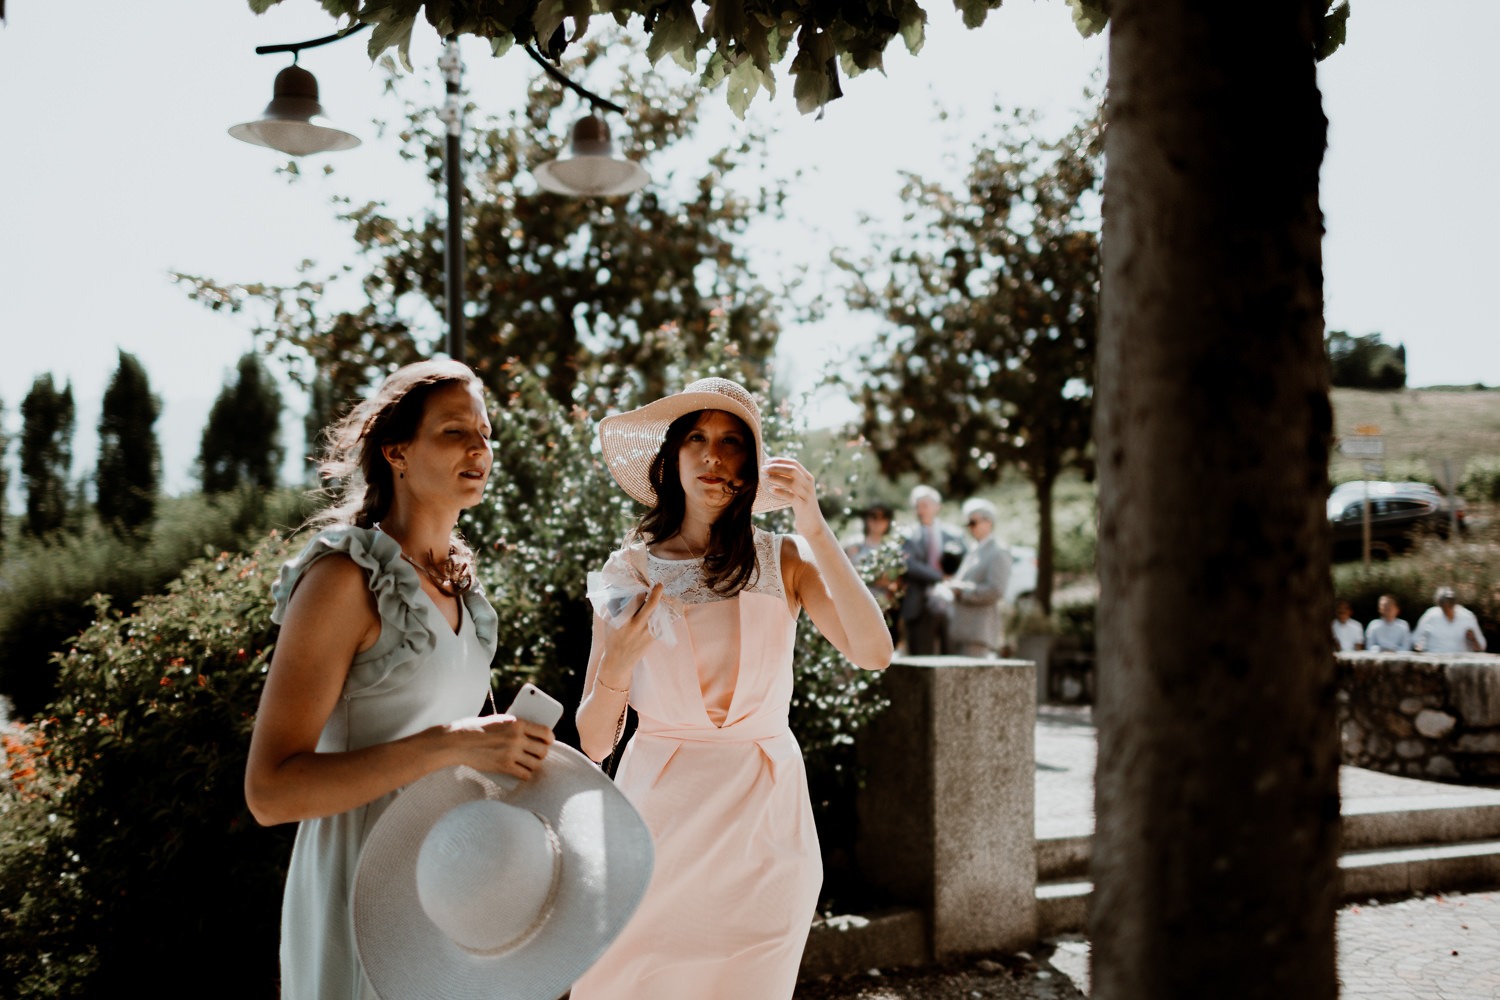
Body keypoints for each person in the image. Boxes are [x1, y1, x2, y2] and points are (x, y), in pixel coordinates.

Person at [571, 377, 894, 1000]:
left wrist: (815, 525)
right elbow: (591, 740)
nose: (714, 456)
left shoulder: (787, 559)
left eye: (732, 441)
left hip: (767, 831)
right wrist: (619, 661)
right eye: (697, 438)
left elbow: (874, 653)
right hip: (656, 825)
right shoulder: (627, 570)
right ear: (671, 460)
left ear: (753, 461)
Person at [244, 360, 556, 1000]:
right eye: (452, 432)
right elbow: (269, 792)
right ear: (396, 452)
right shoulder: (343, 580)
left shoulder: (460, 590)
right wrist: (455, 742)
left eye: (486, 432)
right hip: (359, 885)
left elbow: (464, 756)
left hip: (448, 887)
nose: (479, 447)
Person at [900, 484, 966, 654]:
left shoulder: (954, 534)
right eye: (917, 506)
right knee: (920, 654)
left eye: (925, 505)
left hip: (949, 601)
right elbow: (909, 564)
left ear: (937, 507)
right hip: (919, 604)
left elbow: (965, 560)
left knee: (950, 653)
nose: (920, 510)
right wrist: (940, 576)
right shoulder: (908, 535)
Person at [945, 498, 1013, 658]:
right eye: (968, 523)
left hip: (978, 632)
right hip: (962, 631)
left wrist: (961, 590)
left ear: (988, 522)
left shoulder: (998, 551)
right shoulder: (974, 549)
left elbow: (996, 590)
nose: (970, 527)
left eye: (973, 522)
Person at [1413, 586, 1488, 653]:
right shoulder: (1430, 615)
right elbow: (1416, 640)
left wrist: (1473, 639)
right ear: (1439, 604)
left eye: (1451, 603)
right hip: (1435, 660)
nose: (1448, 606)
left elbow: (1481, 646)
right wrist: (1420, 645)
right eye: (1444, 603)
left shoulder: (1467, 616)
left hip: (1460, 661)